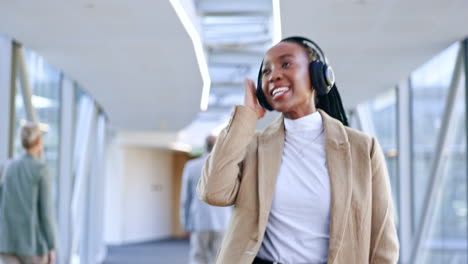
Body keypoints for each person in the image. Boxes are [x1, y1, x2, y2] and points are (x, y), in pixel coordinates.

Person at [197, 36, 399, 264]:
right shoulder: (252, 146)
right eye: (266, 71)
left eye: (286, 64)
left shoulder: (363, 149)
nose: (273, 75)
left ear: (317, 76)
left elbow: (382, 242)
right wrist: (246, 117)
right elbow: (213, 192)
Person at [0, 123, 57, 264]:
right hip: (33, 246)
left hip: (7, 243)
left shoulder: (7, 166)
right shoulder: (41, 169)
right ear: (39, 142)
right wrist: (52, 245)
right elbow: (46, 213)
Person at [180, 135, 232, 264]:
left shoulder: (191, 166)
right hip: (223, 220)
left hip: (199, 220)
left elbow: (186, 198)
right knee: (220, 259)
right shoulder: (226, 166)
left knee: (198, 257)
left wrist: (185, 223)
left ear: (204, 146)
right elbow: (232, 196)